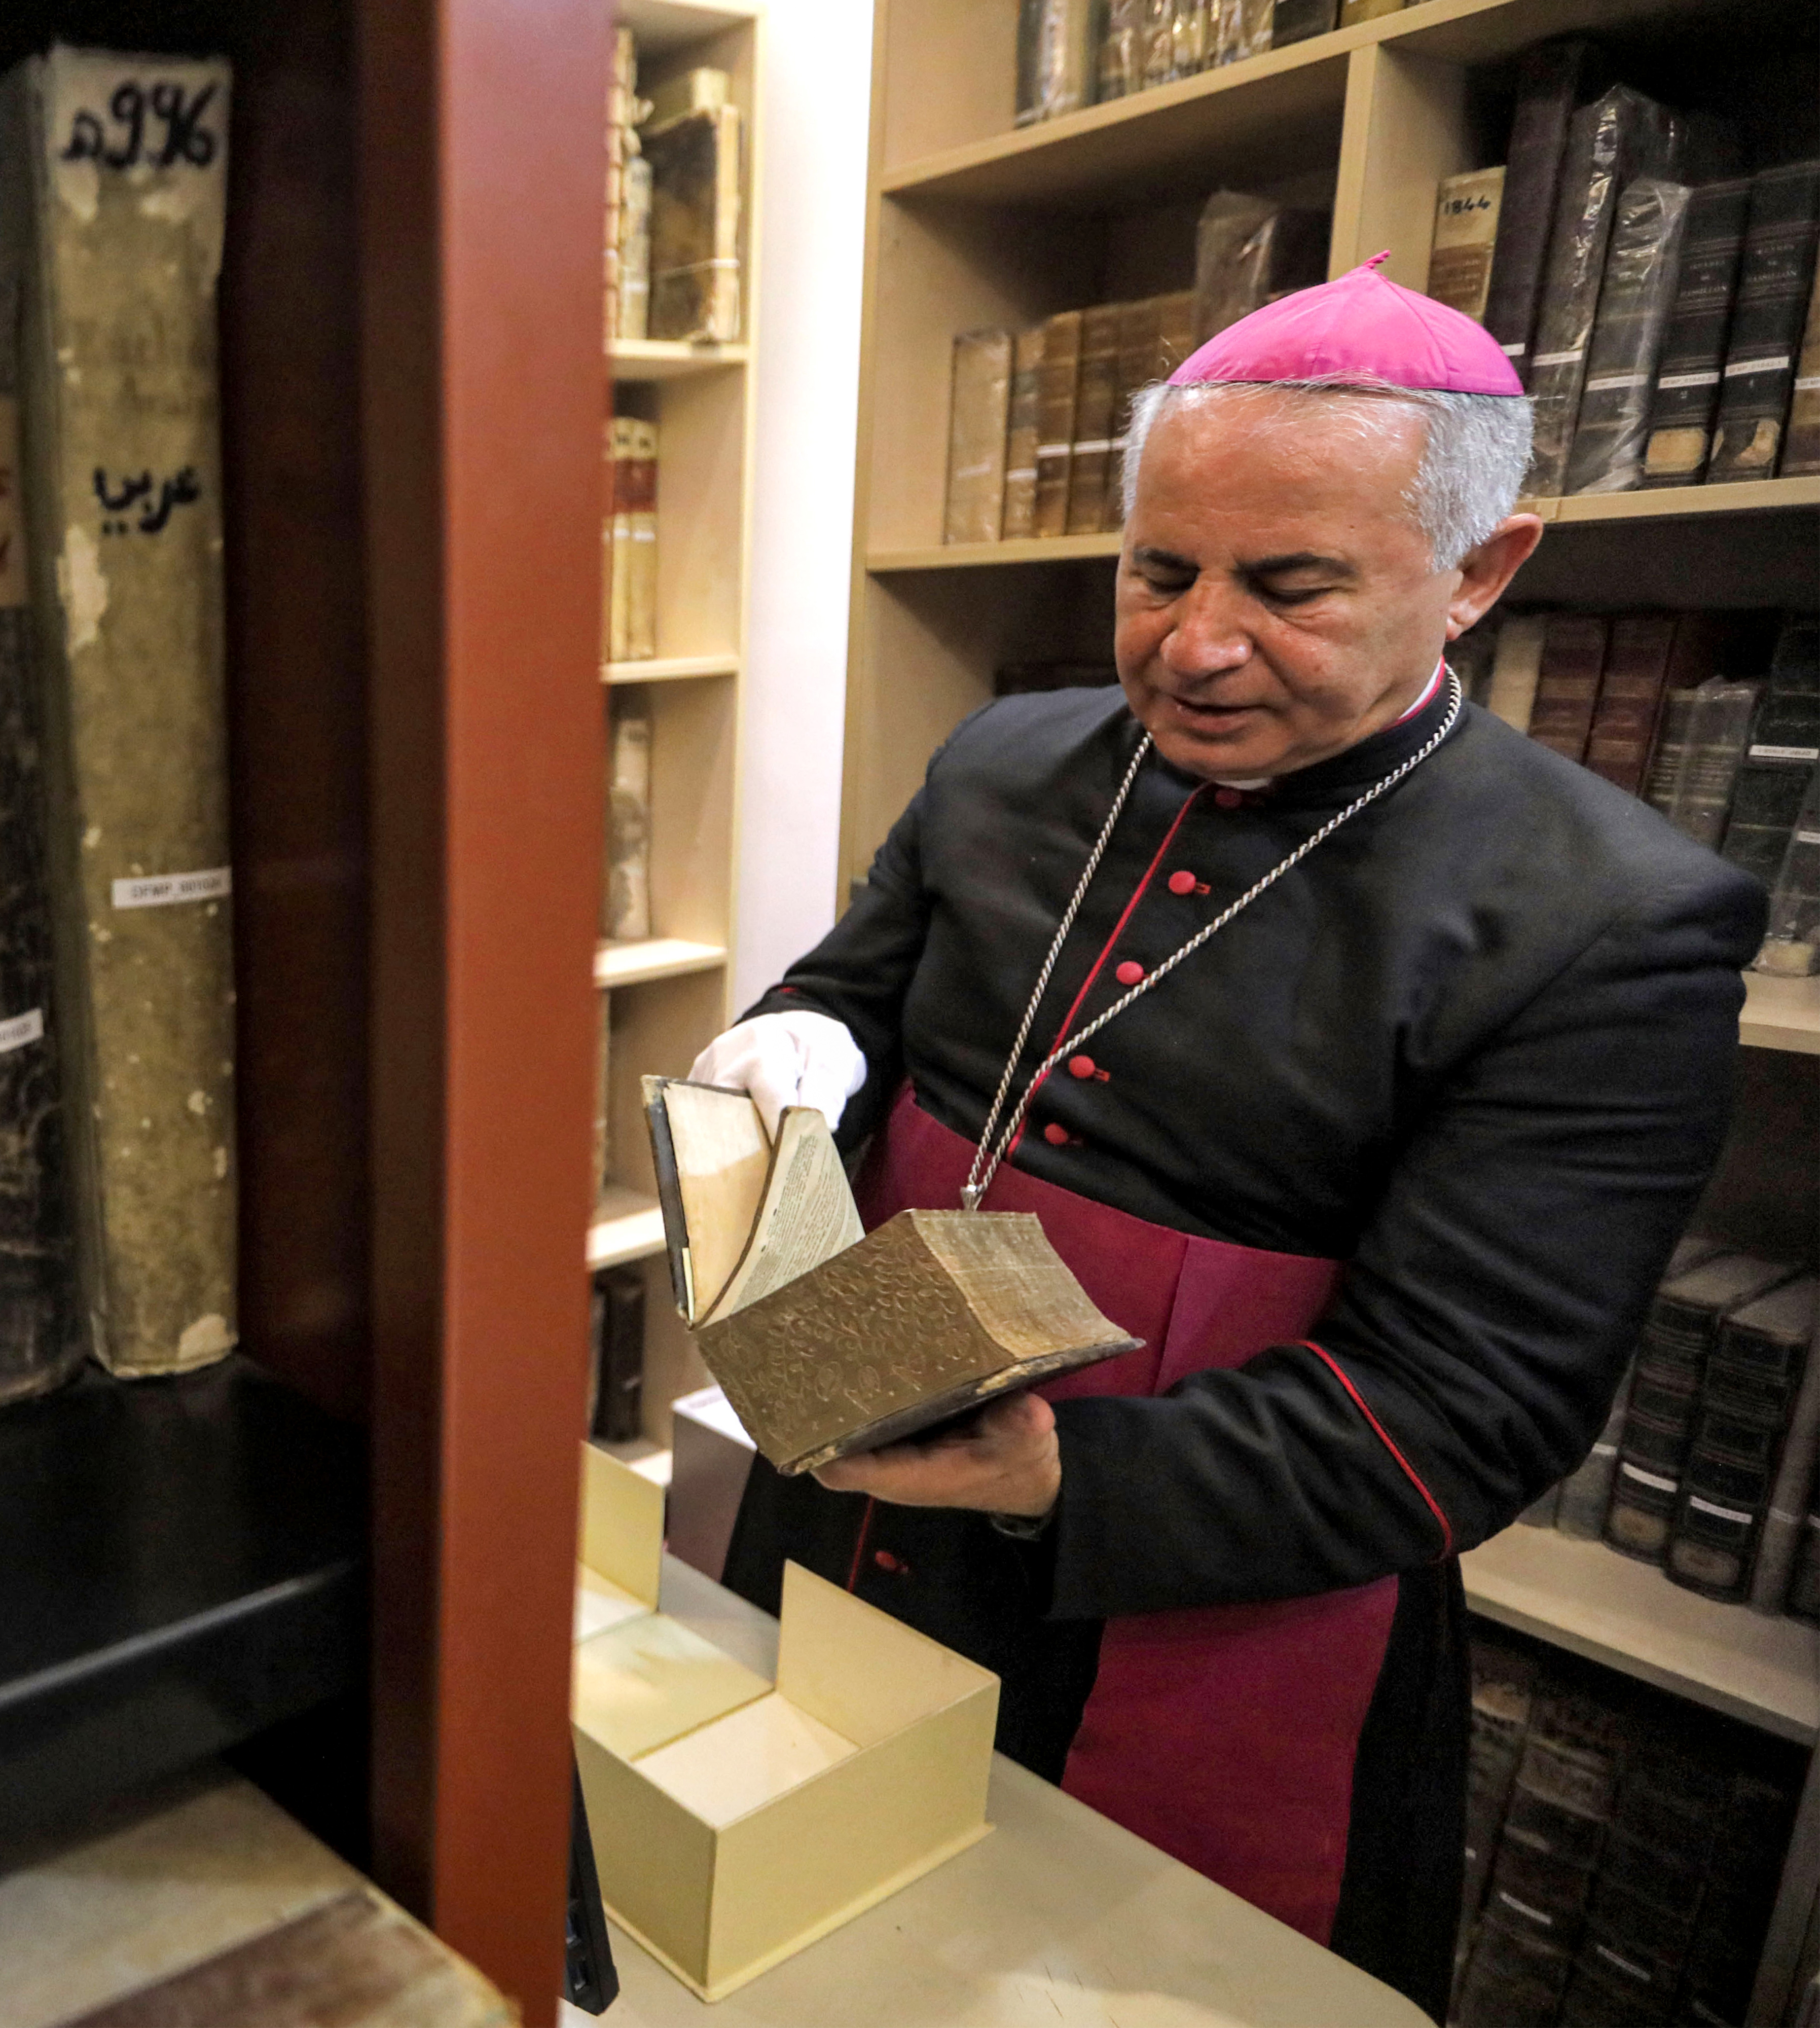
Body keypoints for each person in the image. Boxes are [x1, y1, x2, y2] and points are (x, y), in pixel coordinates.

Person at [693, 255, 1761, 2014]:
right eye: (1156, 568)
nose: (1193, 645)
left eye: (1291, 586)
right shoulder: (1008, 755)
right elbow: (861, 993)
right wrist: (800, 1043)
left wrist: (1055, 1476)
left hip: (1198, 1597)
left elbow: (1466, 1410)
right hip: (851, 1485)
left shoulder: (1613, 921)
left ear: (1482, 571)